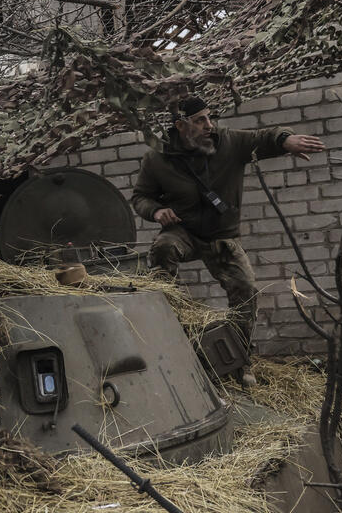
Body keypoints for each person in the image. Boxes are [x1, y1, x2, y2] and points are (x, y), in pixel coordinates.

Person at [131, 95, 325, 386]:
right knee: (163, 247)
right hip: (184, 232)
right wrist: (156, 211)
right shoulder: (157, 159)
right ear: (180, 125)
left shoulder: (229, 142)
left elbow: (264, 137)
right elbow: (140, 197)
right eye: (200, 120)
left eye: (210, 117)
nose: (209, 125)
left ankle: (240, 361)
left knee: (246, 290)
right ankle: (171, 318)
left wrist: (286, 140)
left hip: (223, 237)